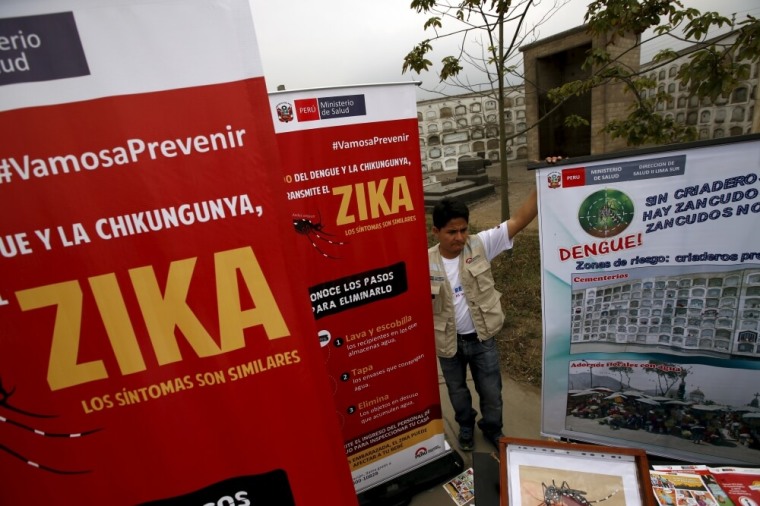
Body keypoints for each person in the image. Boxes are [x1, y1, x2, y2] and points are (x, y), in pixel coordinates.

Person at [429, 188, 538, 450]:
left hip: (482, 338)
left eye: (463, 230)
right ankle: (465, 426)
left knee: (491, 393)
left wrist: (544, 178)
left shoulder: (480, 244)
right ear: (436, 231)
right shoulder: (425, 262)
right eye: (451, 232)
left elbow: (520, 219)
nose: (460, 237)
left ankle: (493, 429)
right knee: (457, 394)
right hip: (448, 343)